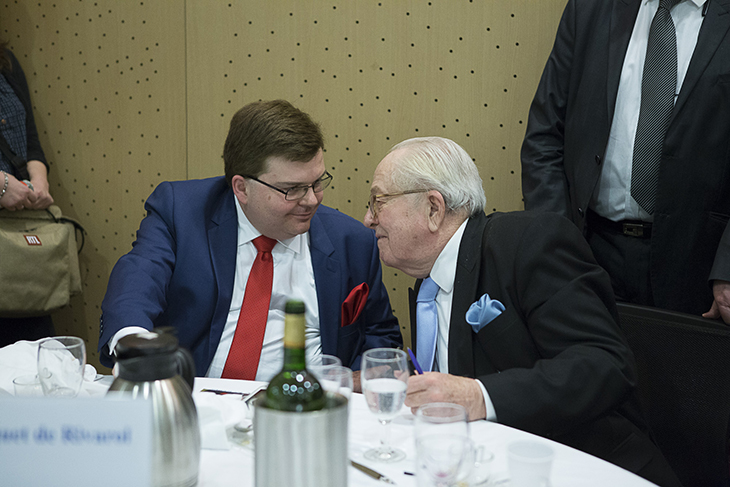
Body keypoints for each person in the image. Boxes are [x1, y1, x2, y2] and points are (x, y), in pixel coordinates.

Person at [364, 136, 681, 487]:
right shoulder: (428, 284)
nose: (367, 219)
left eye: (378, 202)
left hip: (584, 466)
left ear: (433, 209)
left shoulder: (529, 243)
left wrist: (479, 396)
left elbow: (605, 364)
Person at [99, 99, 402, 382]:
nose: (311, 200)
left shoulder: (351, 242)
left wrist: (354, 379)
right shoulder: (182, 213)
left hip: (307, 404)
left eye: (317, 183)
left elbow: (380, 334)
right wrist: (133, 344)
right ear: (242, 188)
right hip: (200, 398)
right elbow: (138, 280)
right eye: (292, 189)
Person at [521, 0, 730, 324]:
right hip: (588, 252)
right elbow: (545, 135)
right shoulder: (591, 8)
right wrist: (556, 245)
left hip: (697, 269)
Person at [0, 42, 55, 346]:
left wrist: (39, 181)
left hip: (19, 238)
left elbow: (29, 138)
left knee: (36, 355)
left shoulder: (5, 61)